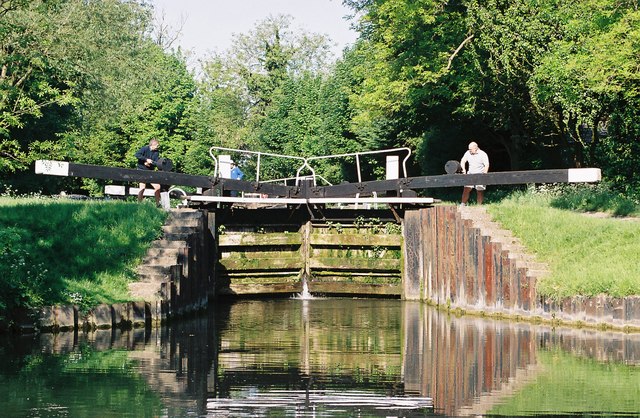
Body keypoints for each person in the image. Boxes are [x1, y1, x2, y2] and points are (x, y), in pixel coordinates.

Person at [460, 141, 489, 205]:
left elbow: (486, 164)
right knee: (466, 189)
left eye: (470, 149)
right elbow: (463, 161)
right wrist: (464, 169)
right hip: (470, 174)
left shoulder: (483, 154)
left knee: (479, 191)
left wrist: (484, 174)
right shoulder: (467, 153)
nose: (469, 151)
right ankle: (462, 204)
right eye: (469, 149)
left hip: (480, 174)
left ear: (475, 148)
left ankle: (479, 206)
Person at [134, 138, 161, 205]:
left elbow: (156, 162)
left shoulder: (156, 152)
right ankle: (139, 204)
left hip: (150, 171)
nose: (158, 147)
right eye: (157, 145)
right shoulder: (145, 149)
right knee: (142, 187)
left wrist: (150, 163)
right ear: (153, 145)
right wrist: (145, 160)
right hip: (141, 170)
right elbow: (137, 155)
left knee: (157, 187)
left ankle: (158, 204)